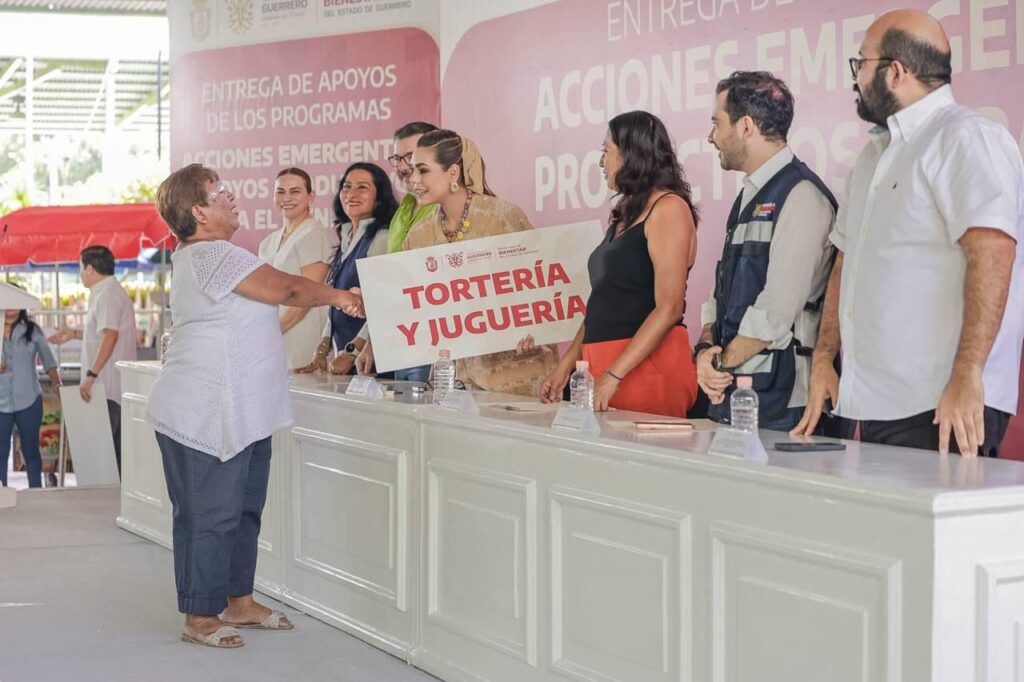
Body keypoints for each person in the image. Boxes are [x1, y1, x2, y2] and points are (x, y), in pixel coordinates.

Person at [150, 164, 364, 648]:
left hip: (243, 410)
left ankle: (239, 602)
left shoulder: (220, 254)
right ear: (199, 212)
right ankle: (200, 615)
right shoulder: (209, 254)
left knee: (243, 511)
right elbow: (288, 289)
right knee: (208, 516)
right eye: (220, 192)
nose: (232, 197)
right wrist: (343, 297)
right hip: (204, 413)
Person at [794, 9, 1024, 458]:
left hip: (945, 403)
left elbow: (993, 254)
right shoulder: (872, 156)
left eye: (861, 63)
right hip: (875, 402)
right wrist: (823, 358)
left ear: (895, 72)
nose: (856, 78)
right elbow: (846, 259)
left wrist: (967, 374)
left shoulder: (966, 137)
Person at [360, 129, 557, 394]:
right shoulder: (419, 234)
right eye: (413, 170)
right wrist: (373, 314)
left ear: (453, 173)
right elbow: (407, 301)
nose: (414, 178)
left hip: (520, 375)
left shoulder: (500, 216)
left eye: (423, 170)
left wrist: (536, 328)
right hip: (458, 379)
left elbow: (544, 283)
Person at [693, 72, 838, 432]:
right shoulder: (750, 194)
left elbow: (776, 311)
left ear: (745, 126)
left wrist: (718, 365)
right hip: (739, 395)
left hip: (783, 404)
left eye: (716, 123)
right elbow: (722, 291)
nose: (711, 137)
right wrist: (704, 353)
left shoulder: (802, 195)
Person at [538, 111, 700, 416]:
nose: (601, 162)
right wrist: (565, 366)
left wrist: (614, 375)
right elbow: (603, 303)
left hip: (644, 369)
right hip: (605, 366)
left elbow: (670, 308)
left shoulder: (668, 209)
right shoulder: (625, 215)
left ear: (630, 153)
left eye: (606, 151)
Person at [352, 121, 439, 382]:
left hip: (436, 343)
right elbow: (392, 282)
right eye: (397, 158)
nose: (402, 166)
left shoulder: (445, 207)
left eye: (410, 156)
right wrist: (373, 342)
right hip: (402, 341)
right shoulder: (404, 208)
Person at [297, 163, 397, 375]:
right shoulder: (346, 236)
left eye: (362, 187)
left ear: (379, 197)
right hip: (345, 360)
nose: (351, 194)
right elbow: (336, 302)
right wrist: (322, 349)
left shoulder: (382, 237)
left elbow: (383, 304)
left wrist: (352, 352)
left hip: (370, 362)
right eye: (346, 186)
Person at [48, 245, 138, 474]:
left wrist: (91, 376)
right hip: (108, 389)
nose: (80, 273)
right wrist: (74, 334)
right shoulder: (106, 292)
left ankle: (112, 496)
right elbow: (103, 334)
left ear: (89, 269)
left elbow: (110, 336)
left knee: (106, 460)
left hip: (107, 389)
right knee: (109, 458)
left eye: (80, 267)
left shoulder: (107, 295)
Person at [257, 167, 333, 369]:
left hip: (303, 337)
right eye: (280, 192)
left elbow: (308, 294)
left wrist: (274, 331)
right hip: (273, 339)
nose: (287, 198)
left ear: (310, 197)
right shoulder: (268, 242)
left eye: (295, 191)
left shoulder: (313, 233)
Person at [0, 307, 60, 488]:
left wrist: (58, 384)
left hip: (29, 402)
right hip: (1, 405)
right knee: (1, 453)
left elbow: (48, 360)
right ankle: (2, 494)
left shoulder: (32, 330)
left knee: (31, 450)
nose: (11, 311)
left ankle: (36, 492)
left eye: (15, 307)